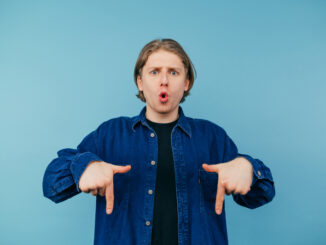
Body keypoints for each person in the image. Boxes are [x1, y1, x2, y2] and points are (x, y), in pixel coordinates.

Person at [42, 38, 275, 245]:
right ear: (140, 82)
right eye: (154, 72)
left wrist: (249, 169)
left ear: (187, 83)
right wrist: (84, 166)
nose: (164, 81)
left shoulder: (213, 137)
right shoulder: (110, 134)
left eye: (173, 72)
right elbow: (51, 185)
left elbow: (262, 195)